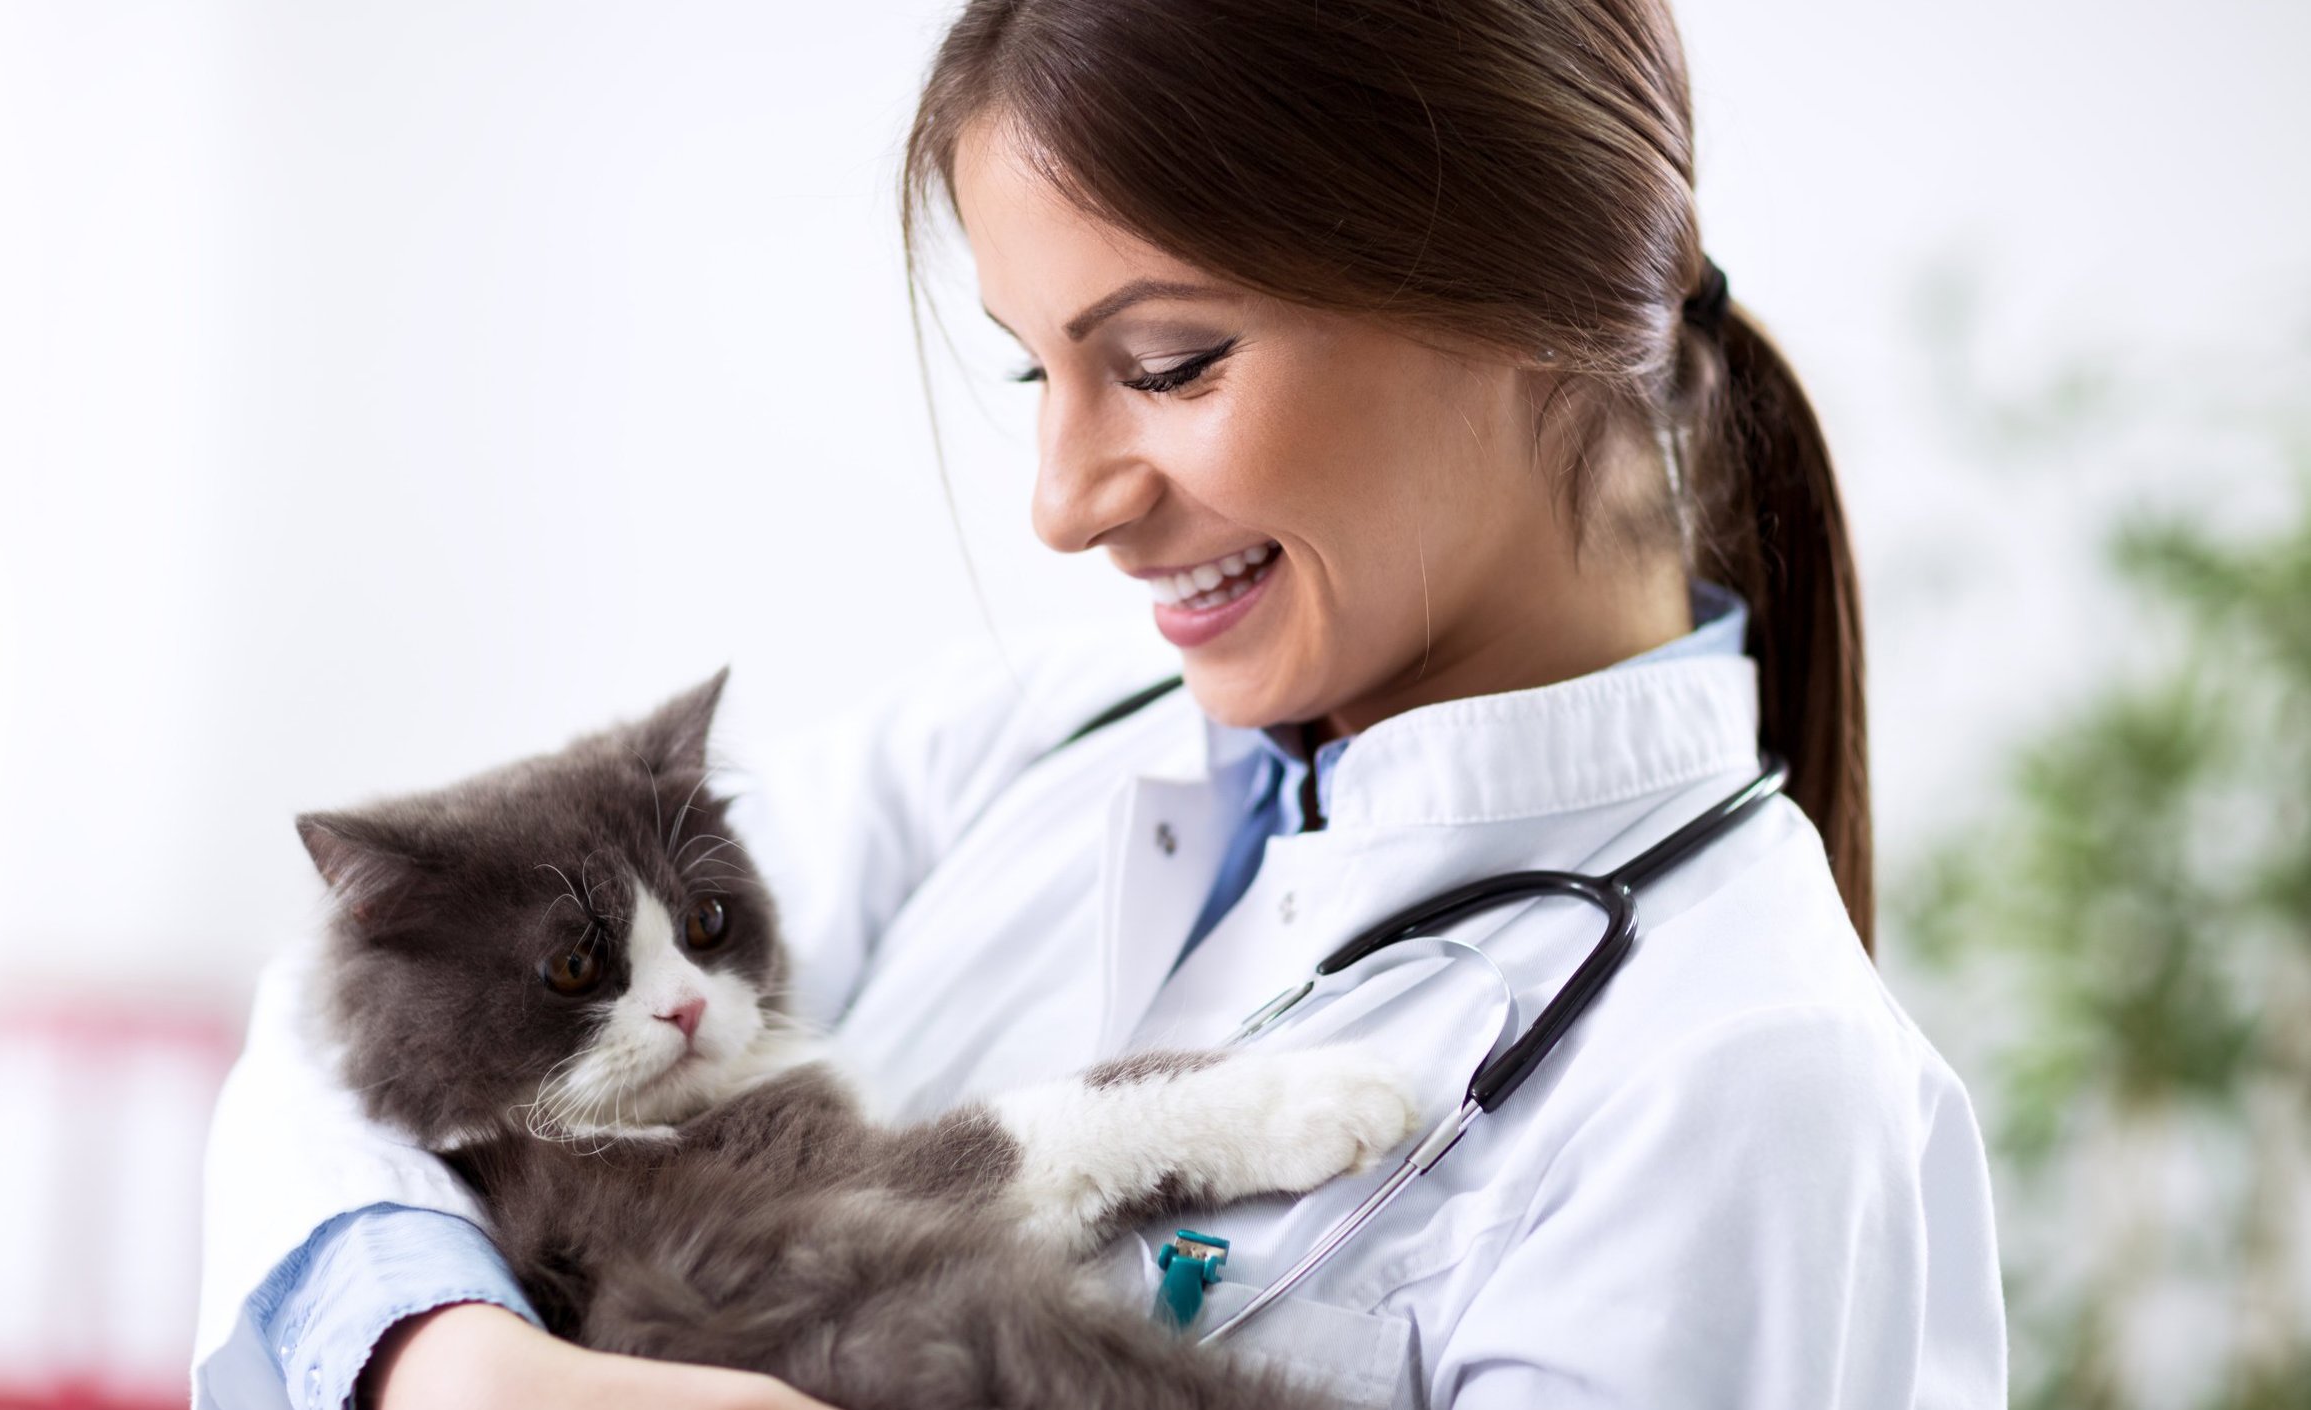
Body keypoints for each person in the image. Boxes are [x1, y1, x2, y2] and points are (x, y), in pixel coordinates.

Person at [192, 0, 2008, 1406]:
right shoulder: (1026, 738)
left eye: (1169, 362)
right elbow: (366, 1005)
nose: (1064, 503)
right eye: (1034, 371)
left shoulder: (1750, 1090)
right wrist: (437, 1347)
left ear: (1522, 290)